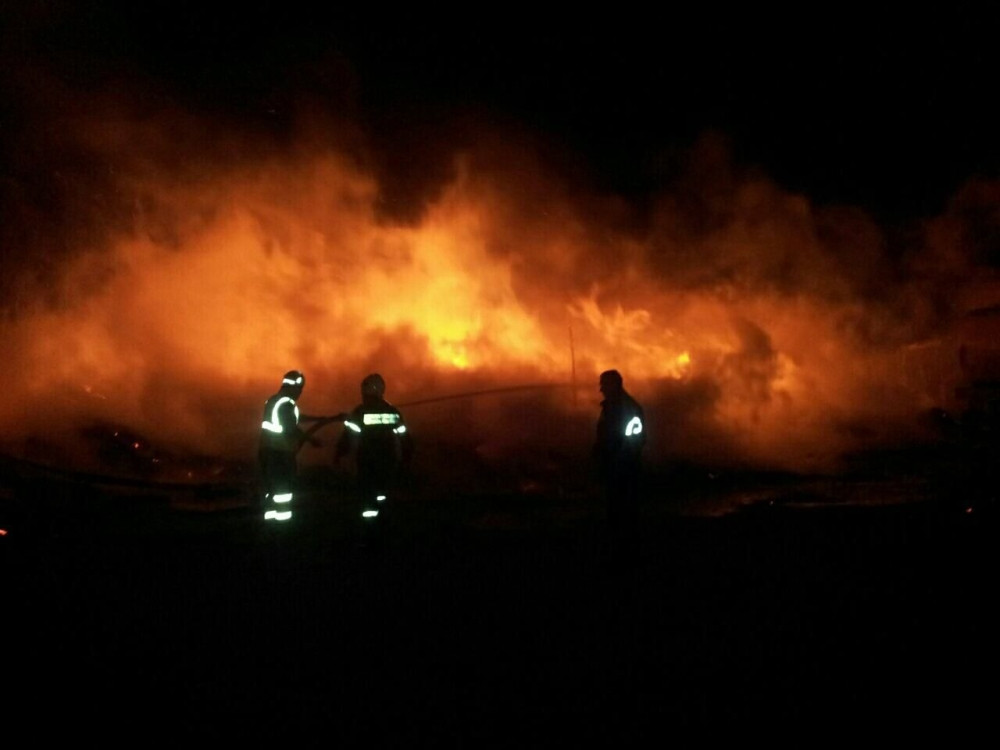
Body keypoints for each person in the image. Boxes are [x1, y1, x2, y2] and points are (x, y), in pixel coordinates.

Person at [335, 373, 413, 531]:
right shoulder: (392, 412)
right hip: (388, 460)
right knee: (384, 492)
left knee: (367, 493)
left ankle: (368, 527)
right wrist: (406, 457)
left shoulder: (360, 412)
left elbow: (348, 437)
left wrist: (339, 454)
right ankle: (384, 522)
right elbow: (405, 438)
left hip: (367, 459)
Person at [258, 370, 327, 523]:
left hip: (267, 452)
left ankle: (269, 523)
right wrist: (311, 439)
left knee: (271, 490)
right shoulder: (286, 404)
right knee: (283, 492)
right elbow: (291, 428)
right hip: (280, 455)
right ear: (293, 387)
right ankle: (283, 525)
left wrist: (318, 419)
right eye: (299, 389)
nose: (300, 393)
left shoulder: (274, 400)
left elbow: (295, 418)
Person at [593, 369, 646, 555]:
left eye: (604, 384)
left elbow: (634, 441)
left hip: (624, 471)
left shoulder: (629, 409)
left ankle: (627, 552)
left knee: (625, 513)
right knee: (615, 512)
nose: (601, 389)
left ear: (615, 385)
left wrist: (618, 463)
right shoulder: (610, 408)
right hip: (614, 468)